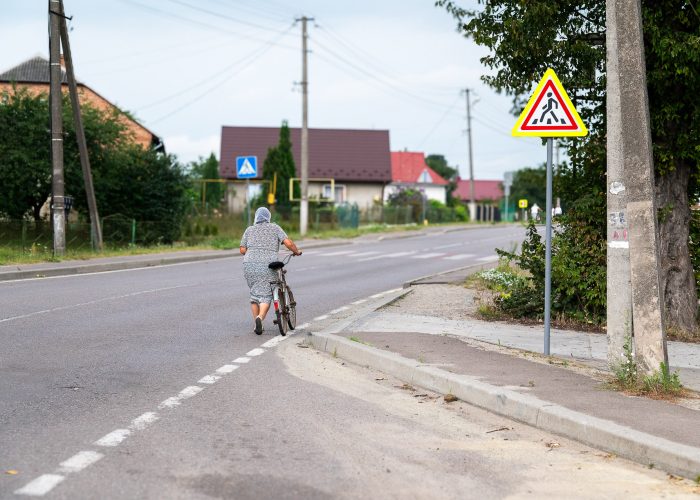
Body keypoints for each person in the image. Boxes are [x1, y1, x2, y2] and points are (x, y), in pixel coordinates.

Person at [239, 207, 301, 335]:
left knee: (254, 294)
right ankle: (260, 318)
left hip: (249, 264)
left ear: (256, 217)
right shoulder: (275, 227)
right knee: (266, 294)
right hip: (268, 265)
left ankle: (256, 324)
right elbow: (288, 243)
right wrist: (296, 251)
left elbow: (242, 250)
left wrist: (254, 251)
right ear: (268, 217)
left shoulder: (249, 229)